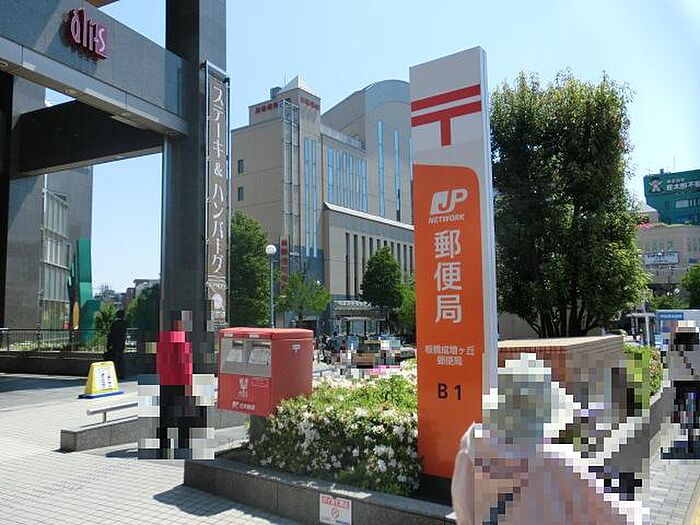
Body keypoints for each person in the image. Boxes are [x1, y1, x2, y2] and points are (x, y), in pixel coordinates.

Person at [105, 309, 128, 380]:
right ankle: (122, 374)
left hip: (115, 343)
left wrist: (108, 344)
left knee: (115, 359)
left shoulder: (115, 323)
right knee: (121, 359)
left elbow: (111, 334)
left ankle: (114, 374)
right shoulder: (124, 323)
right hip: (121, 343)